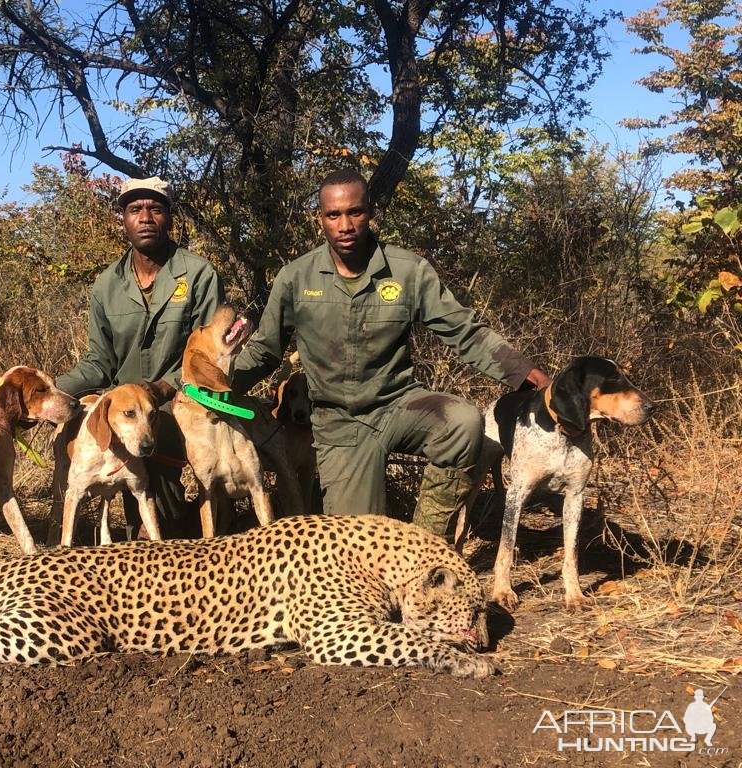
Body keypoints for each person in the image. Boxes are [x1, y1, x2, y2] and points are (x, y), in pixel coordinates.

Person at [230, 168, 550, 537]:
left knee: (463, 422)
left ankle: (424, 546)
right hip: (340, 425)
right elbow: (264, 350)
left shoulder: (407, 270)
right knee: (358, 547)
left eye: (356, 212)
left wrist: (526, 373)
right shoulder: (295, 278)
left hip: (397, 405)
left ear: (371, 212)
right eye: (334, 215)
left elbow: (463, 329)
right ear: (320, 219)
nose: (345, 224)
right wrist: (203, 384)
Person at [55, 176, 225, 538]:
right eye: (135, 209)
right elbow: (98, 362)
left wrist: (167, 386)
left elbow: (211, 358)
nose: (145, 216)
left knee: (166, 515)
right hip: (126, 409)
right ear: (124, 219)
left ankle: (188, 528)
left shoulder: (198, 274)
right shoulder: (106, 284)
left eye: (156, 209)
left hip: (183, 401)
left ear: (169, 218)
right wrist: (49, 394)